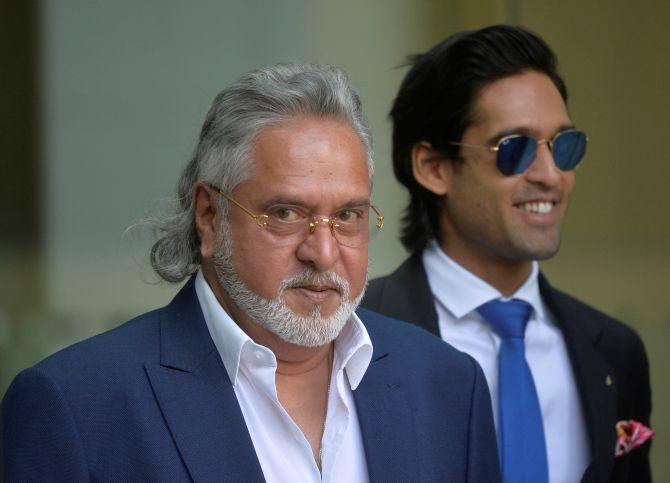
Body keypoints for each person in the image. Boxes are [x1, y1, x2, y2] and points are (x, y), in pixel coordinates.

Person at [2, 63, 500, 482]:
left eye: (348, 215)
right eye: (285, 213)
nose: (323, 253)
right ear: (210, 216)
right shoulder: (75, 406)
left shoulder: (448, 386)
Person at [362, 25, 652, 483]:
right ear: (433, 168)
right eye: (513, 149)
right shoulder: (354, 339)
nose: (551, 176)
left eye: (565, 146)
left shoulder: (615, 352)